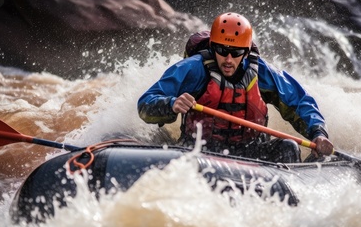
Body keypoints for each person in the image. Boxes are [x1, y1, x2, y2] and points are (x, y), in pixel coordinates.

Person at [137, 12, 334, 163]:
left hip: (251, 150)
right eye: (222, 50)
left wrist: (318, 134)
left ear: (247, 51)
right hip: (199, 149)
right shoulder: (193, 68)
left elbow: (300, 102)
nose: (228, 59)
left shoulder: (261, 72)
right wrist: (171, 104)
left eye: (236, 52)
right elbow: (146, 104)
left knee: (289, 147)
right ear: (213, 46)